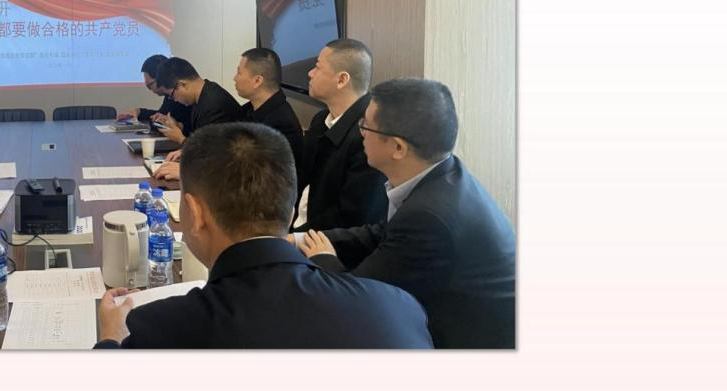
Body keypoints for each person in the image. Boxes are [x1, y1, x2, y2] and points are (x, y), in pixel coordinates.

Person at [96, 122, 432, 349]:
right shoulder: (398, 307)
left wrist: (111, 339)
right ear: (290, 209)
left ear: (195, 214)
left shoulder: (157, 331)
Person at [296, 78, 517, 349]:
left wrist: (322, 258)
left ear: (398, 148)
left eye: (365, 125)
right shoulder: (442, 173)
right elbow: (383, 233)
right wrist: (300, 240)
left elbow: (359, 300)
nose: (360, 133)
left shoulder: (429, 216)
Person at [154, 48, 303, 182]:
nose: (235, 78)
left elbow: (249, 174)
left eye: (239, 72)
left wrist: (189, 173)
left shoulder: (280, 122)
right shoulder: (250, 110)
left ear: (257, 80)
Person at [294, 38, 388, 231]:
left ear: (342, 80)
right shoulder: (320, 120)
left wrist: (293, 238)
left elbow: (352, 217)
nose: (310, 73)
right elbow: (302, 180)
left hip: (323, 241)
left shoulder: (369, 136)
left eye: (317, 67)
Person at [117, 53, 193, 130]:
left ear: (162, 77)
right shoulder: (170, 95)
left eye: (151, 84)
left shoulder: (180, 95)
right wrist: (138, 111)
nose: (149, 89)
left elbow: (191, 128)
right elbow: (161, 115)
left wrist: (178, 125)